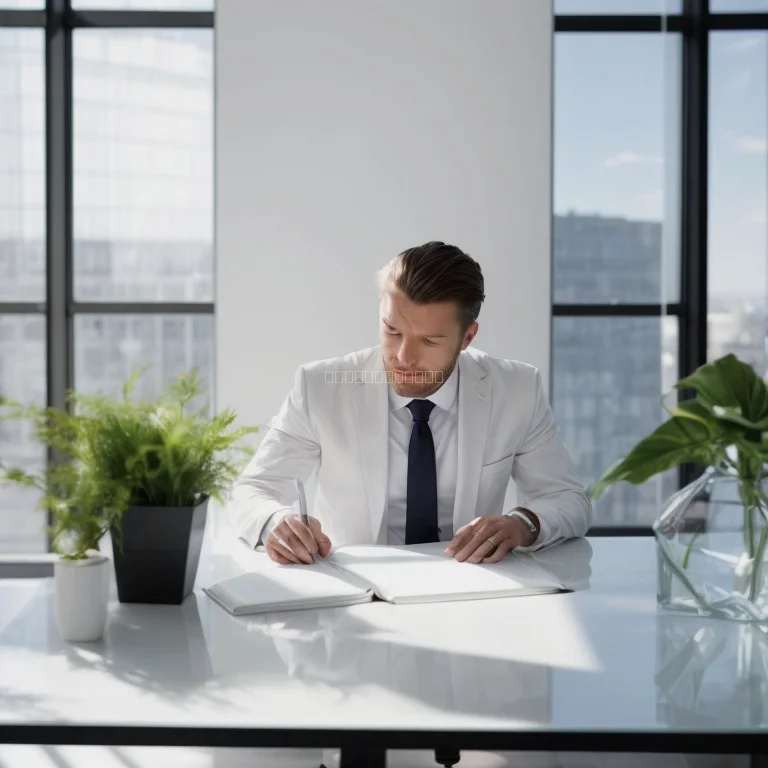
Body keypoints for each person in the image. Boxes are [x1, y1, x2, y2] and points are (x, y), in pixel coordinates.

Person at [227, 241, 592, 565]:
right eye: (392, 331)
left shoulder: (517, 389)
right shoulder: (320, 387)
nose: (403, 356)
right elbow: (252, 490)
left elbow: (567, 499)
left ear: (467, 336)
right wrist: (277, 523)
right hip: (357, 601)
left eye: (430, 341)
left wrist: (523, 524)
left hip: (473, 593)